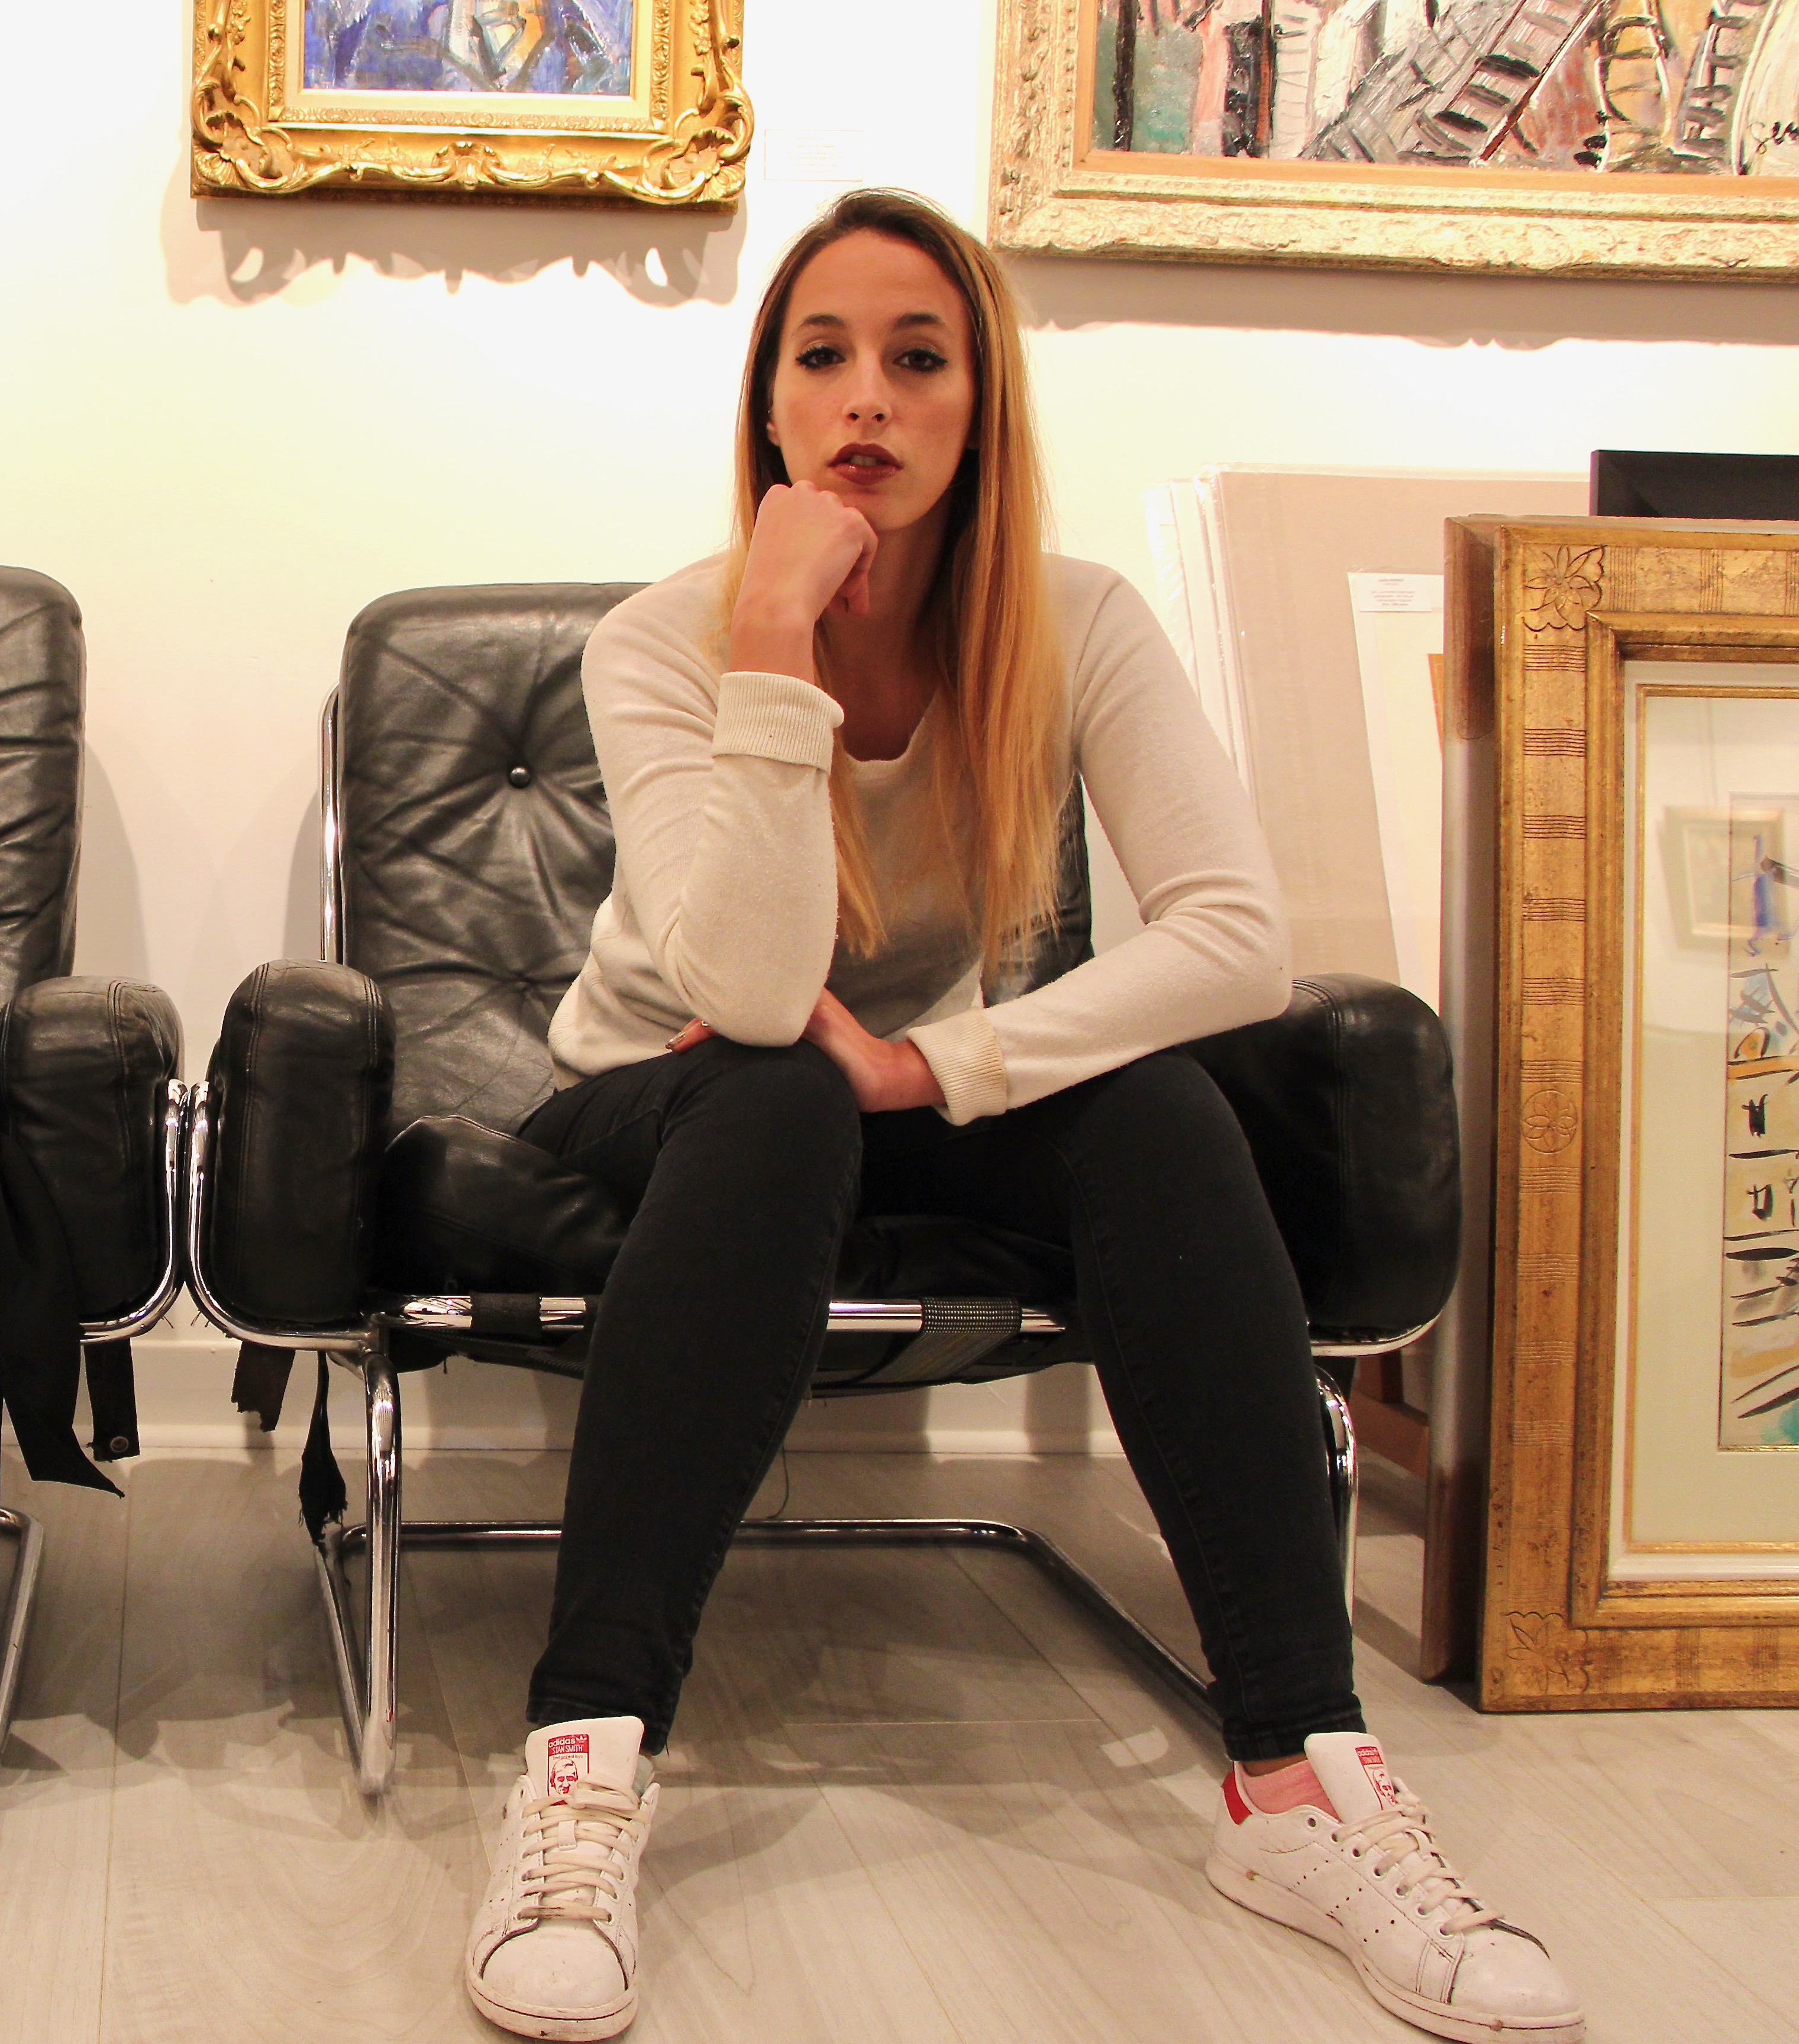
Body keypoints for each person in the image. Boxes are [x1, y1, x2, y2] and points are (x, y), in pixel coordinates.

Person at [457, 189, 1581, 2044]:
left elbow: (1233, 939)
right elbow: (748, 992)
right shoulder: (667, 637)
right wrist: (773, 633)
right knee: (773, 1097)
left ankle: (1302, 1783)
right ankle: (586, 1763)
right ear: (768, 405)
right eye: (823, 357)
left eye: (920, 359)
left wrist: (940, 1066)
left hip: (882, 1089)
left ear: (981, 408)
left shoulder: (1074, 624)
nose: (867, 400)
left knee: (1155, 1115)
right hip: (657, 1090)